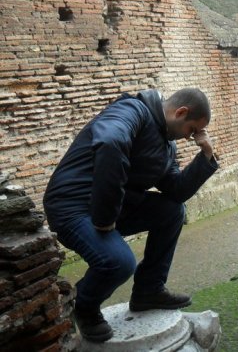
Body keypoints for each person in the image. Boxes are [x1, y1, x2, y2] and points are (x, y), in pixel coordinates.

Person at [43, 88, 218, 343]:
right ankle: (83, 304)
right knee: (118, 262)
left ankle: (149, 290)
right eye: (191, 130)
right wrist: (105, 217)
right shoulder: (132, 110)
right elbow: (111, 142)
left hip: (112, 205)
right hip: (71, 204)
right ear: (181, 112)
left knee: (172, 211)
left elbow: (176, 191)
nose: (191, 137)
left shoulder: (166, 145)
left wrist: (206, 156)